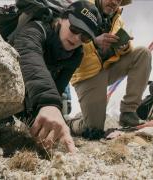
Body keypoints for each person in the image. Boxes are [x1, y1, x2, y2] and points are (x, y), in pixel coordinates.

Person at [11, 0, 102, 152]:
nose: (77, 39)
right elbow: (29, 57)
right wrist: (48, 104)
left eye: (85, 38)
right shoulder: (36, 29)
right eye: (74, 29)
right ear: (61, 18)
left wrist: (43, 117)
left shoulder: (76, 55)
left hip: (33, 93)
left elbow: (58, 87)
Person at [68, 0, 152, 138]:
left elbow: (124, 50)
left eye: (119, 0)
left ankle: (128, 112)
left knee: (142, 53)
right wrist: (94, 41)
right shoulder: (82, 8)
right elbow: (69, 43)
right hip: (87, 75)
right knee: (93, 130)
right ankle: (70, 123)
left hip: (108, 68)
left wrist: (124, 46)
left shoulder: (117, 18)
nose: (114, 2)